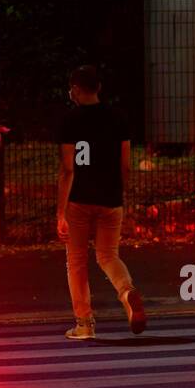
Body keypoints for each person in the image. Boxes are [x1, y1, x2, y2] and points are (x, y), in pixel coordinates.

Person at [56, 65, 146, 340]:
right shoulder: (118, 118)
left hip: (80, 199)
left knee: (77, 261)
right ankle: (127, 291)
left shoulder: (69, 120)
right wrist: (121, 193)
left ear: (77, 89)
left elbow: (68, 169)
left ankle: (84, 323)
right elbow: (125, 164)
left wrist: (60, 211)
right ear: (99, 88)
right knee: (108, 255)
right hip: (110, 198)